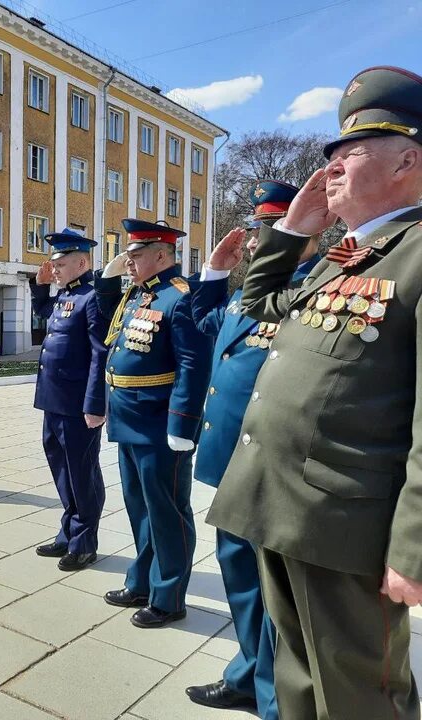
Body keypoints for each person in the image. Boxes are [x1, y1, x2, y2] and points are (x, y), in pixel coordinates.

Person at [206, 66, 422, 719]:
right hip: (281, 506)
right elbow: (259, 304)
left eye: (349, 153)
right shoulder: (345, 255)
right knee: (298, 680)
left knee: (360, 694)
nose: (328, 169)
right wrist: (294, 232)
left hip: (347, 525)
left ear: (408, 158)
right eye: (329, 155)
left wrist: (413, 548)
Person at [184, 181, 320, 716]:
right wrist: (215, 273)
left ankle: (273, 697)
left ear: (307, 230)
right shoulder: (248, 292)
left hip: (272, 467)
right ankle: (247, 674)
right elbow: (207, 326)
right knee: (240, 578)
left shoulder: (319, 287)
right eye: (262, 229)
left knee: (273, 593)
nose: (262, 239)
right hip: (230, 461)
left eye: (274, 228)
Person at [101, 219, 212, 628]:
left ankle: (169, 596)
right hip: (130, 416)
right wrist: (114, 275)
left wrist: (182, 424)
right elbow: (106, 330)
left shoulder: (180, 297)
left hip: (159, 422)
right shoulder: (137, 296)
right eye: (128, 256)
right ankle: (143, 581)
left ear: (162, 256)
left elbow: (193, 365)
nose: (128, 263)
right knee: (139, 506)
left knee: (166, 510)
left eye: (136, 255)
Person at [29, 229, 114, 571]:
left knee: (82, 473)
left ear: (81, 262)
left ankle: (84, 543)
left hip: (78, 404)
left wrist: (95, 404)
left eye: (61, 264)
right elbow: (44, 314)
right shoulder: (66, 296)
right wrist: (40, 285)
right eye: (53, 264)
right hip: (54, 400)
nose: (55, 270)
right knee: (62, 469)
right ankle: (68, 533)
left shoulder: (93, 297)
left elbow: (99, 353)